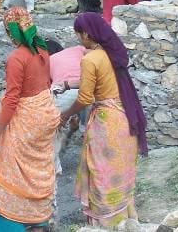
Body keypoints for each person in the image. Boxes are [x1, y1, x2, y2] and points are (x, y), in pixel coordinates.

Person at [60, 13, 148, 227]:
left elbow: (85, 98)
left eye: (79, 35)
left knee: (103, 174)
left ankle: (106, 225)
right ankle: (127, 221)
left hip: (106, 125)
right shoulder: (112, 53)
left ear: (87, 34)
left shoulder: (90, 59)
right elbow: (102, 80)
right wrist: (69, 84)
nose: (79, 39)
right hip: (124, 117)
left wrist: (65, 114)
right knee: (120, 171)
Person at [0, 7, 60, 231]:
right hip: (44, 115)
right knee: (36, 167)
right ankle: (37, 220)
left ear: (11, 31)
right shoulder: (42, 50)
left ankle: (11, 223)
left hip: (25, 119)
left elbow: (12, 99)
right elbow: (45, 83)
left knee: (13, 169)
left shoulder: (17, 58)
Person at [47, 41, 87, 175]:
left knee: (55, 128)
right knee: (91, 128)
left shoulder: (49, 61)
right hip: (89, 88)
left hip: (65, 90)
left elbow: (49, 87)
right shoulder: (78, 49)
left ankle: (54, 167)